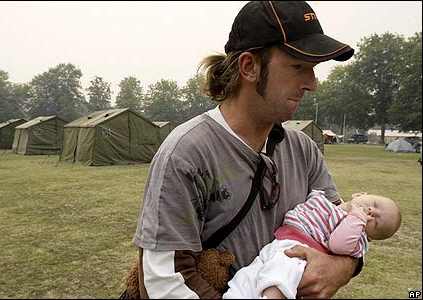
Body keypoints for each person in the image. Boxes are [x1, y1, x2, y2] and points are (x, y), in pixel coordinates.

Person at [132, 1, 357, 298]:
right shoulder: (186, 153)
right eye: (298, 67)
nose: (312, 84)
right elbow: (165, 282)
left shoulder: (304, 149)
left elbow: (339, 223)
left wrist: (342, 268)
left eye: (313, 70)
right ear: (249, 67)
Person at [222, 190, 402, 299]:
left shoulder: (356, 235)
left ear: (369, 237)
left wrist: (357, 219)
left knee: (281, 274)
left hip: (299, 254)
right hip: (278, 243)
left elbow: (338, 245)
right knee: (248, 276)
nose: (371, 212)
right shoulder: (328, 202)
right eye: (374, 204)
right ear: (361, 194)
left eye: (376, 222)